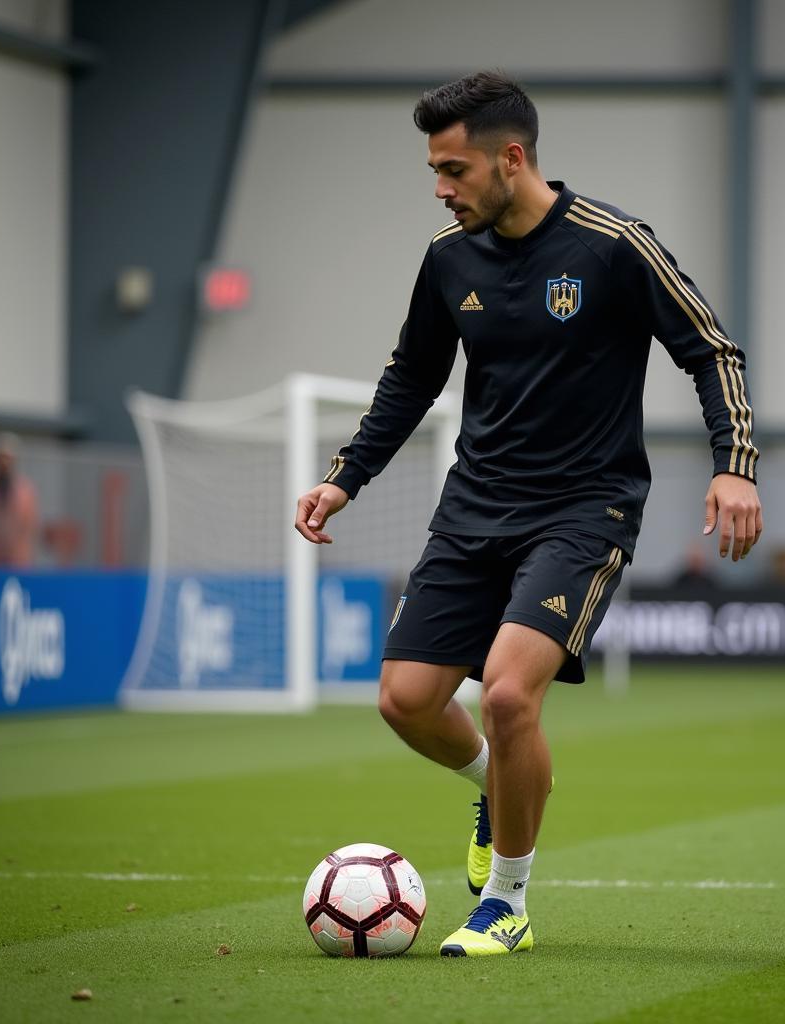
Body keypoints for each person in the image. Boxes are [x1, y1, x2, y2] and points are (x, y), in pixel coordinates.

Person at [294, 72, 761, 957]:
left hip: (585, 509)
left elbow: (713, 349)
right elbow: (410, 379)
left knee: (508, 695)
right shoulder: (447, 258)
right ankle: (493, 787)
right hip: (474, 508)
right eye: (434, 170)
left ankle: (505, 901)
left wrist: (735, 466)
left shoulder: (614, 246)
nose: (441, 187)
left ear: (512, 158)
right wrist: (344, 477)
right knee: (405, 702)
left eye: (454, 169)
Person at [0, 433, 39, 567]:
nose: (5, 463)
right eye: (1, 458)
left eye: (8, 458)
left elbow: (29, 527)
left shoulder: (26, 492)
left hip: (17, 562)